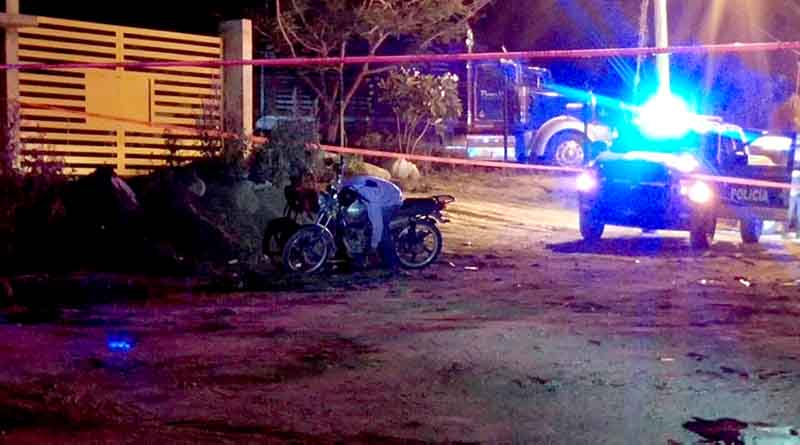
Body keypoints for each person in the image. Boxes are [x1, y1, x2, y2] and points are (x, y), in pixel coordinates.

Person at [340, 175, 403, 270]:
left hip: (392, 199)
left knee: (382, 231)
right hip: (385, 189)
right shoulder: (350, 185)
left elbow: (378, 226)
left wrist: (373, 246)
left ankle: (392, 264)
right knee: (364, 219)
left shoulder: (370, 200)